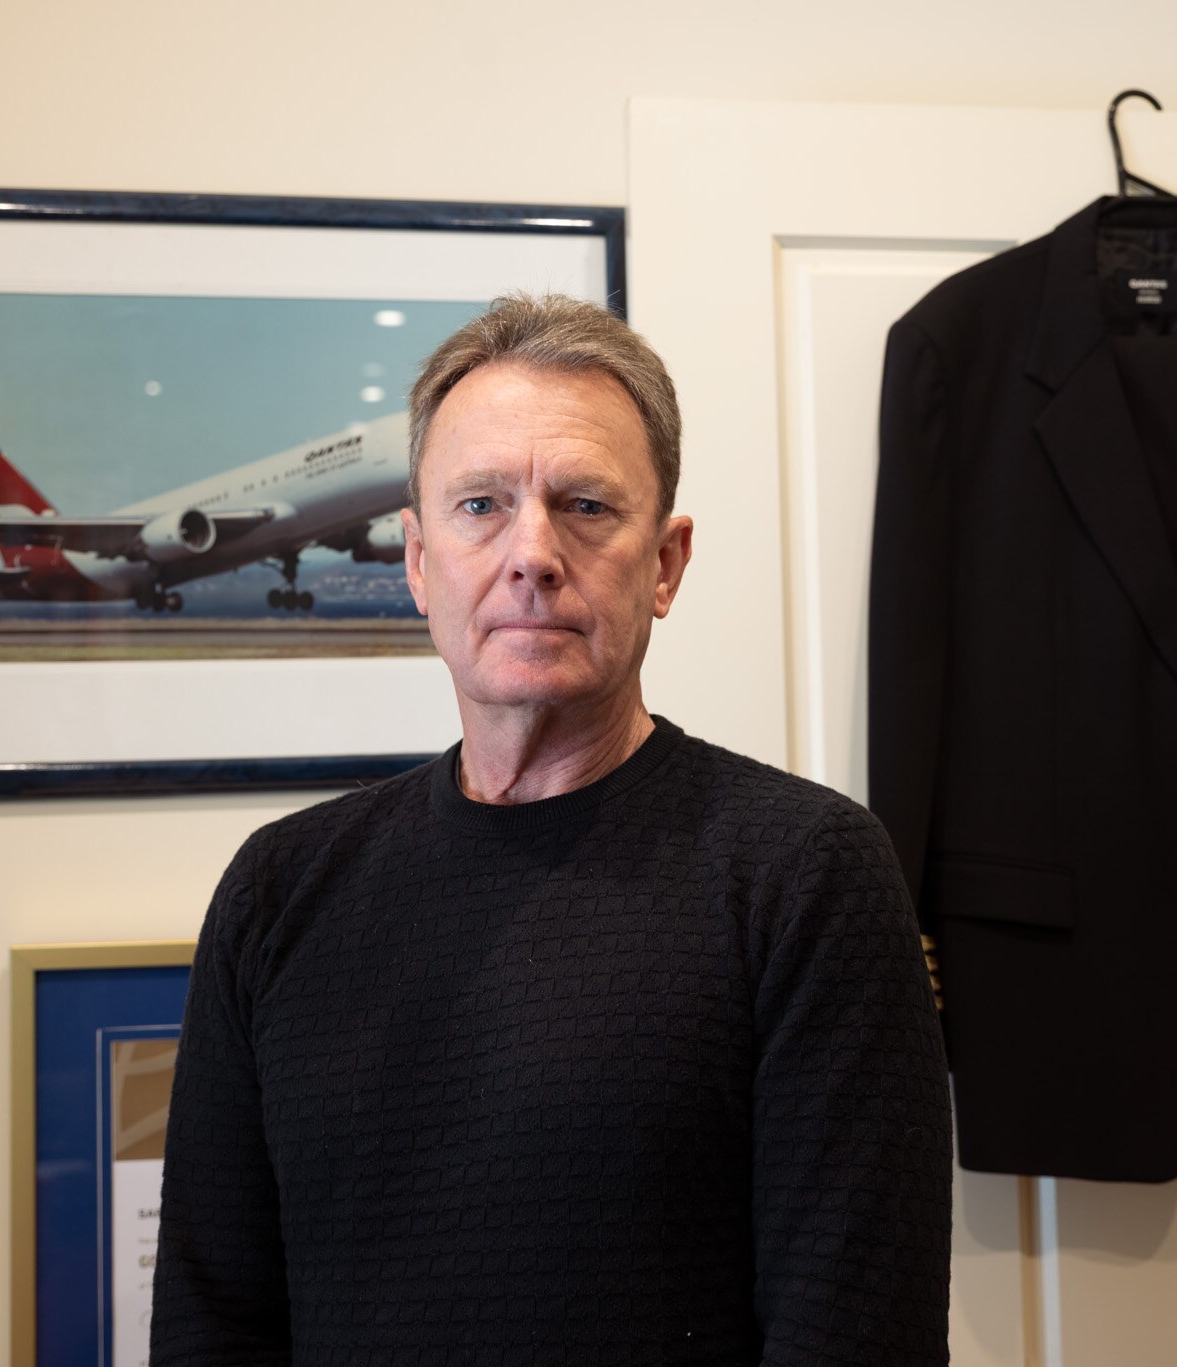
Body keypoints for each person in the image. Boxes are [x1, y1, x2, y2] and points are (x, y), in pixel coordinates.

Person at [151, 293, 952, 1366]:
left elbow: (857, 1337)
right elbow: (211, 1321)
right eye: (480, 504)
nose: (531, 551)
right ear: (419, 562)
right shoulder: (279, 889)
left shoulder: (804, 875)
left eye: (583, 505)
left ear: (664, 564)